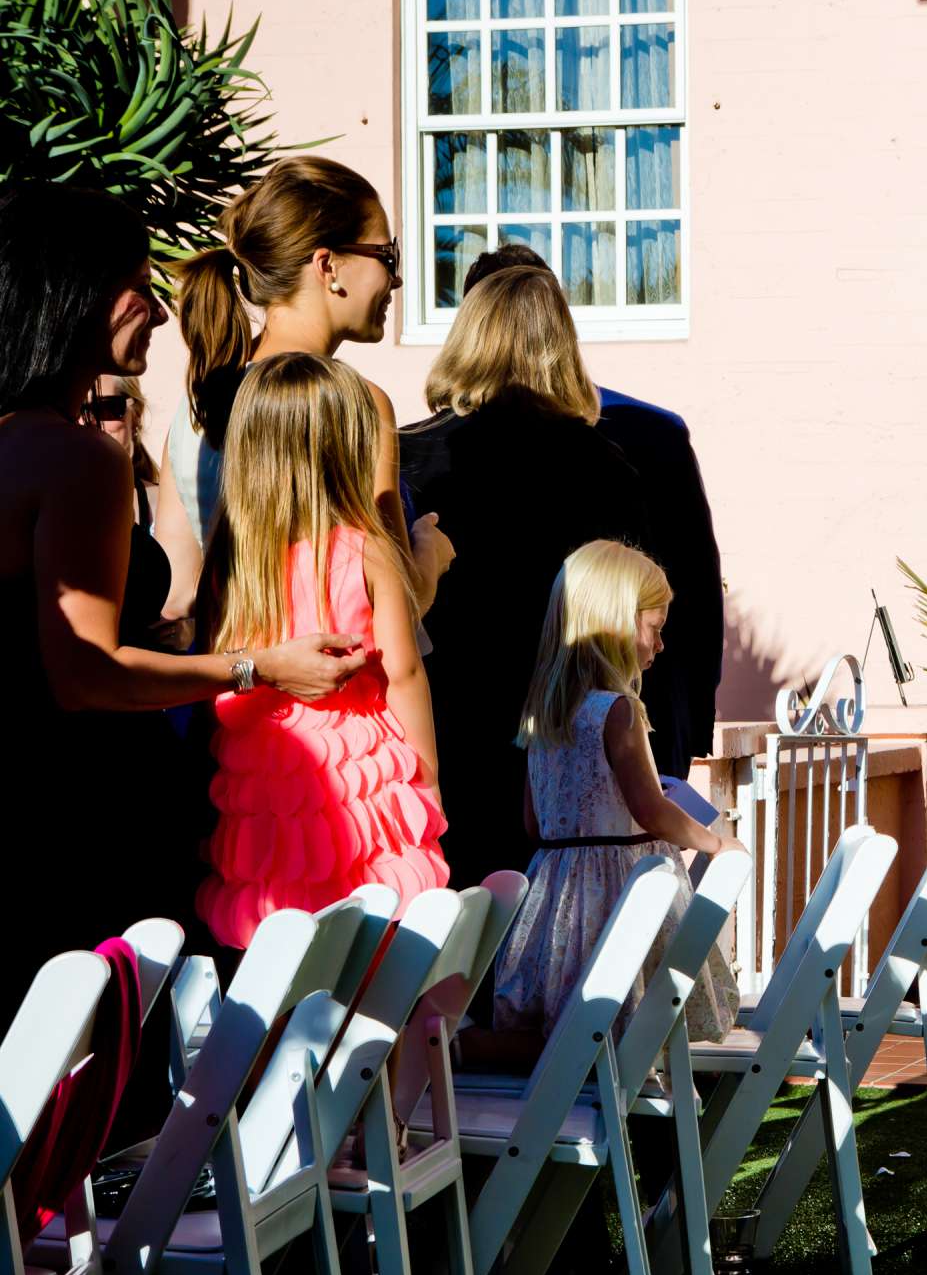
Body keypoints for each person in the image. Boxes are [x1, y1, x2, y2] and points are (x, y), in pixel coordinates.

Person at [0, 183, 366, 1016]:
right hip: (74, 822)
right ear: (75, 292)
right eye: (139, 286)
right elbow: (85, 675)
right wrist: (256, 667)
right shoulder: (72, 457)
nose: (160, 317)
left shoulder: (18, 440)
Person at [400, 265, 651, 889]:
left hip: (441, 705)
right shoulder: (605, 465)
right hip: (560, 717)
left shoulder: (411, 453)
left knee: (449, 915)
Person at [195, 353, 448, 948]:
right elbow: (405, 671)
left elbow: (217, 667)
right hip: (362, 777)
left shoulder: (232, 558)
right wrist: (429, 783)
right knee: (377, 943)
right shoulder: (368, 549)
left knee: (281, 942)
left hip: (268, 778)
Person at [457, 242, 723, 777]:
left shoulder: (644, 436)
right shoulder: (649, 434)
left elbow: (690, 584)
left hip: (551, 721)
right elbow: (695, 587)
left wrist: (685, 727)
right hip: (592, 716)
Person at [476, 540, 738, 1067]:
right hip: (618, 893)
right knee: (619, 1018)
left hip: (555, 892)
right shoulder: (619, 711)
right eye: (655, 627)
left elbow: (534, 822)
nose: (661, 645)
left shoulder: (542, 715)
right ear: (618, 623)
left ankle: (464, 1049)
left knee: (562, 1022)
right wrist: (718, 842)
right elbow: (651, 810)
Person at [175, 155, 453, 597]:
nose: (396, 279)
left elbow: (180, 594)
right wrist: (429, 552)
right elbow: (394, 600)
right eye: (387, 254)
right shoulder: (354, 405)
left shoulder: (200, 403)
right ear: (328, 266)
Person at [87, 375, 201, 650]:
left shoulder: (167, 504)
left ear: (135, 415)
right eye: (78, 412)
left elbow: (196, 599)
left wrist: (189, 630)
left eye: (105, 408)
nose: (89, 422)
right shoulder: (53, 507)